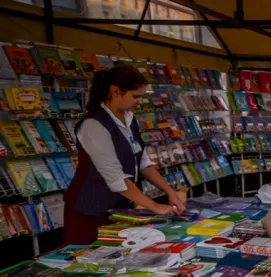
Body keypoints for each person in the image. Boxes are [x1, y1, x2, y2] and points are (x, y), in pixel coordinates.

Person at [64, 65, 186, 245]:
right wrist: (154, 206)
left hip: (120, 207)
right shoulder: (94, 125)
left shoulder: (129, 119)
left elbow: (144, 163)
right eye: (135, 96)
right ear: (115, 91)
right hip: (91, 211)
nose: (139, 102)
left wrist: (170, 193)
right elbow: (115, 178)